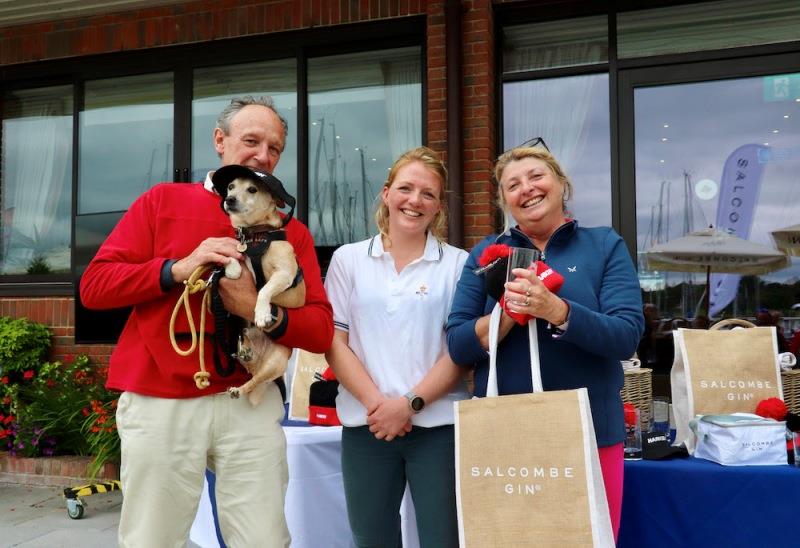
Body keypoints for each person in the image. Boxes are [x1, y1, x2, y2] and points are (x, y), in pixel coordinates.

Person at [80, 96, 333, 547]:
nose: (262, 155)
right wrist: (177, 268)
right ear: (220, 141)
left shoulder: (289, 231)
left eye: (273, 148)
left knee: (264, 540)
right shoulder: (162, 201)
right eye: (251, 141)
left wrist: (258, 309)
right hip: (162, 400)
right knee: (152, 540)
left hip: (249, 402)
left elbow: (318, 328)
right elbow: (96, 286)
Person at [445, 145, 644, 540]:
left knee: (592, 539)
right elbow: (458, 345)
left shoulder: (603, 245)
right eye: (513, 185)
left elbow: (626, 335)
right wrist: (507, 315)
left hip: (592, 433)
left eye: (537, 176)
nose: (527, 189)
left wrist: (558, 310)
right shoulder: (485, 254)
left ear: (561, 184)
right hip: (504, 434)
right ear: (505, 202)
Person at [324, 147, 469, 548]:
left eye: (428, 194)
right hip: (366, 427)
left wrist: (408, 405)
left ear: (439, 206)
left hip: (438, 429)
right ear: (386, 193)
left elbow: (460, 350)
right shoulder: (348, 260)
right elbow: (334, 343)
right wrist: (379, 406)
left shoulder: (459, 264)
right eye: (405, 188)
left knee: (444, 540)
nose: (415, 201)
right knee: (372, 540)